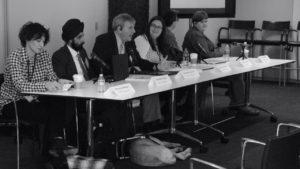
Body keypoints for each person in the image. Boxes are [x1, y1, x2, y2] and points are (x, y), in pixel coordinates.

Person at [0, 22, 75, 159]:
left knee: (60, 103)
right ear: (27, 39)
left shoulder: (44, 55)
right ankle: (52, 150)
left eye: (43, 41)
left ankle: (53, 147)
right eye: (38, 41)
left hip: (34, 97)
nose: (41, 45)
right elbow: (21, 86)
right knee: (50, 112)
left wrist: (60, 81)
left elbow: (51, 77)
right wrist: (46, 85)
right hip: (12, 101)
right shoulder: (15, 57)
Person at [93, 13, 162, 133]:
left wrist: (156, 66)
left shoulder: (130, 42)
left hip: (129, 80)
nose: (134, 31)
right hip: (109, 84)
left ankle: (150, 126)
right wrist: (127, 69)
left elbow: (139, 61)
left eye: (134, 27)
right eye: (130, 28)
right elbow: (101, 65)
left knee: (152, 89)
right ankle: (129, 131)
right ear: (119, 29)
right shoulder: (104, 40)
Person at [182, 10, 259, 116]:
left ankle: (238, 104)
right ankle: (239, 105)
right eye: (202, 22)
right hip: (202, 69)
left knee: (236, 73)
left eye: (206, 22)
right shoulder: (195, 34)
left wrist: (218, 53)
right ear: (195, 23)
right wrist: (222, 53)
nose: (205, 24)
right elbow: (207, 54)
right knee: (236, 73)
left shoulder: (198, 33)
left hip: (207, 65)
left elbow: (209, 50)